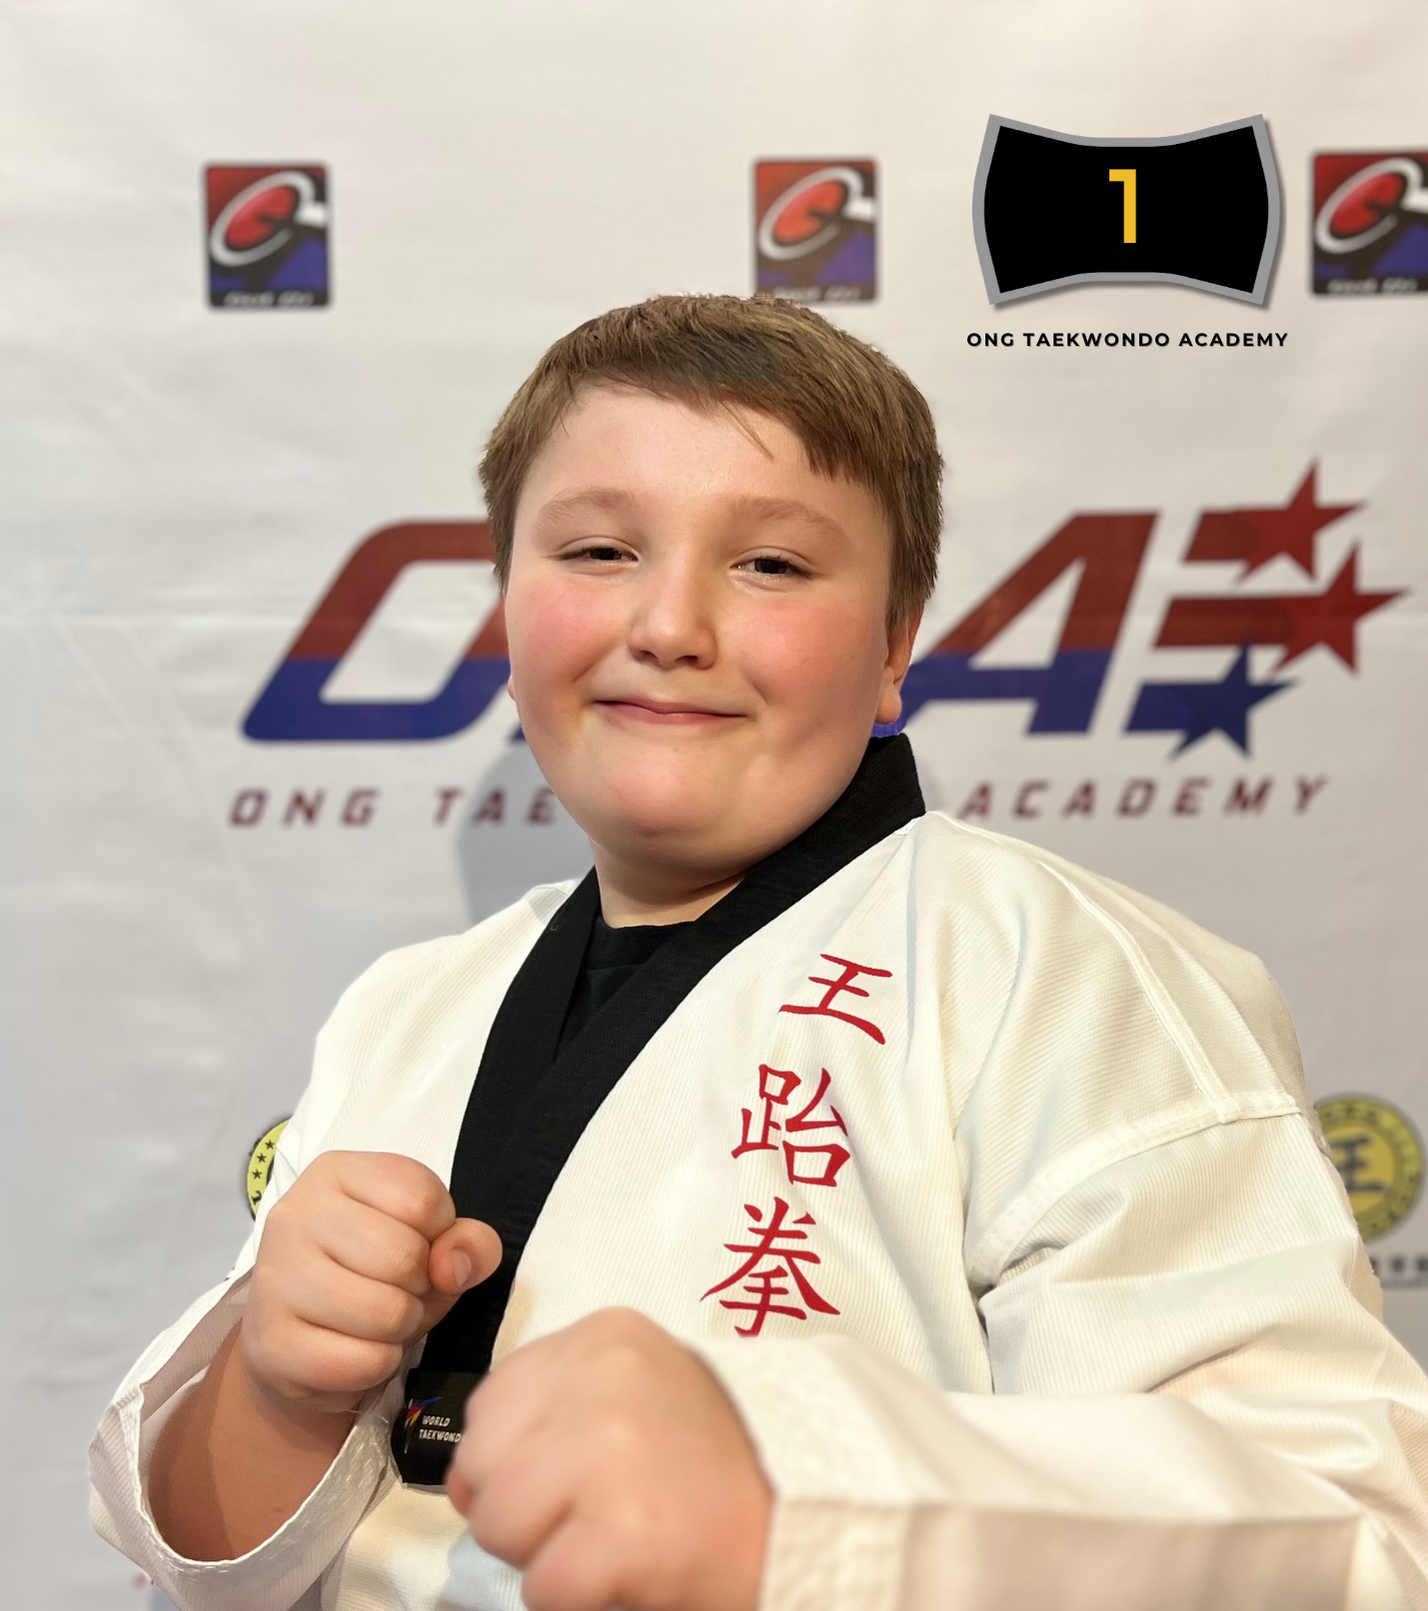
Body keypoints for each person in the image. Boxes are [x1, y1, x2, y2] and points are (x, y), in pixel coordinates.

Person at [91, 295, 1428, 1611]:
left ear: (897, 646)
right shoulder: (406, 1008)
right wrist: (279, 1386)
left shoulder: (1061, 974)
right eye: (599, 551)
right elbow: (220, 1560)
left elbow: (1349, 1533)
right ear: (506, 613)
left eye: (773, 564)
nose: (669, 623)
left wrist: (803, 1498)